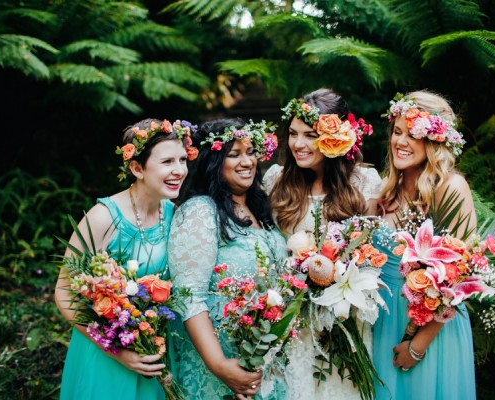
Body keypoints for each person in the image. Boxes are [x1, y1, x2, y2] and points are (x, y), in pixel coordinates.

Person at [55, 118, 197, 400]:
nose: (179, 170)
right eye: (167, 161)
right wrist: (118, 352)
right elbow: (63, 293)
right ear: (137, 168)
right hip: (107, 358)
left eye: (182, 159)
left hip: (156, 351)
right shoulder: (102, 218)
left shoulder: (174, 215)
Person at [263, 88, 382, 399]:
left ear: (336, 138)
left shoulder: (364, 184)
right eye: (292, 134)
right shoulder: (276, 180)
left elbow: (368, 255)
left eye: (310, 134)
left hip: (342, 320)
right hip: (290, 322)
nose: (298, 144)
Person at [167, 118, 286, 400]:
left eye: (250, 152)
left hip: (266, 361)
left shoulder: (262, 206)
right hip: (218, 364)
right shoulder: (199, 211)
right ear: (213, 162)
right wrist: (219, 365)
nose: (247, 162)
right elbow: (188, 296)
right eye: (234, 154)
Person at [372, 90, 476, 399]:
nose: (400, 142)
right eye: (397, 132)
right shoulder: (386, 192)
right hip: (384, 324)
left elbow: (461, 280)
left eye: (412, 135)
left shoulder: (450, 189)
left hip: (430, 335)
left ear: (434, 141)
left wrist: (417, 347)